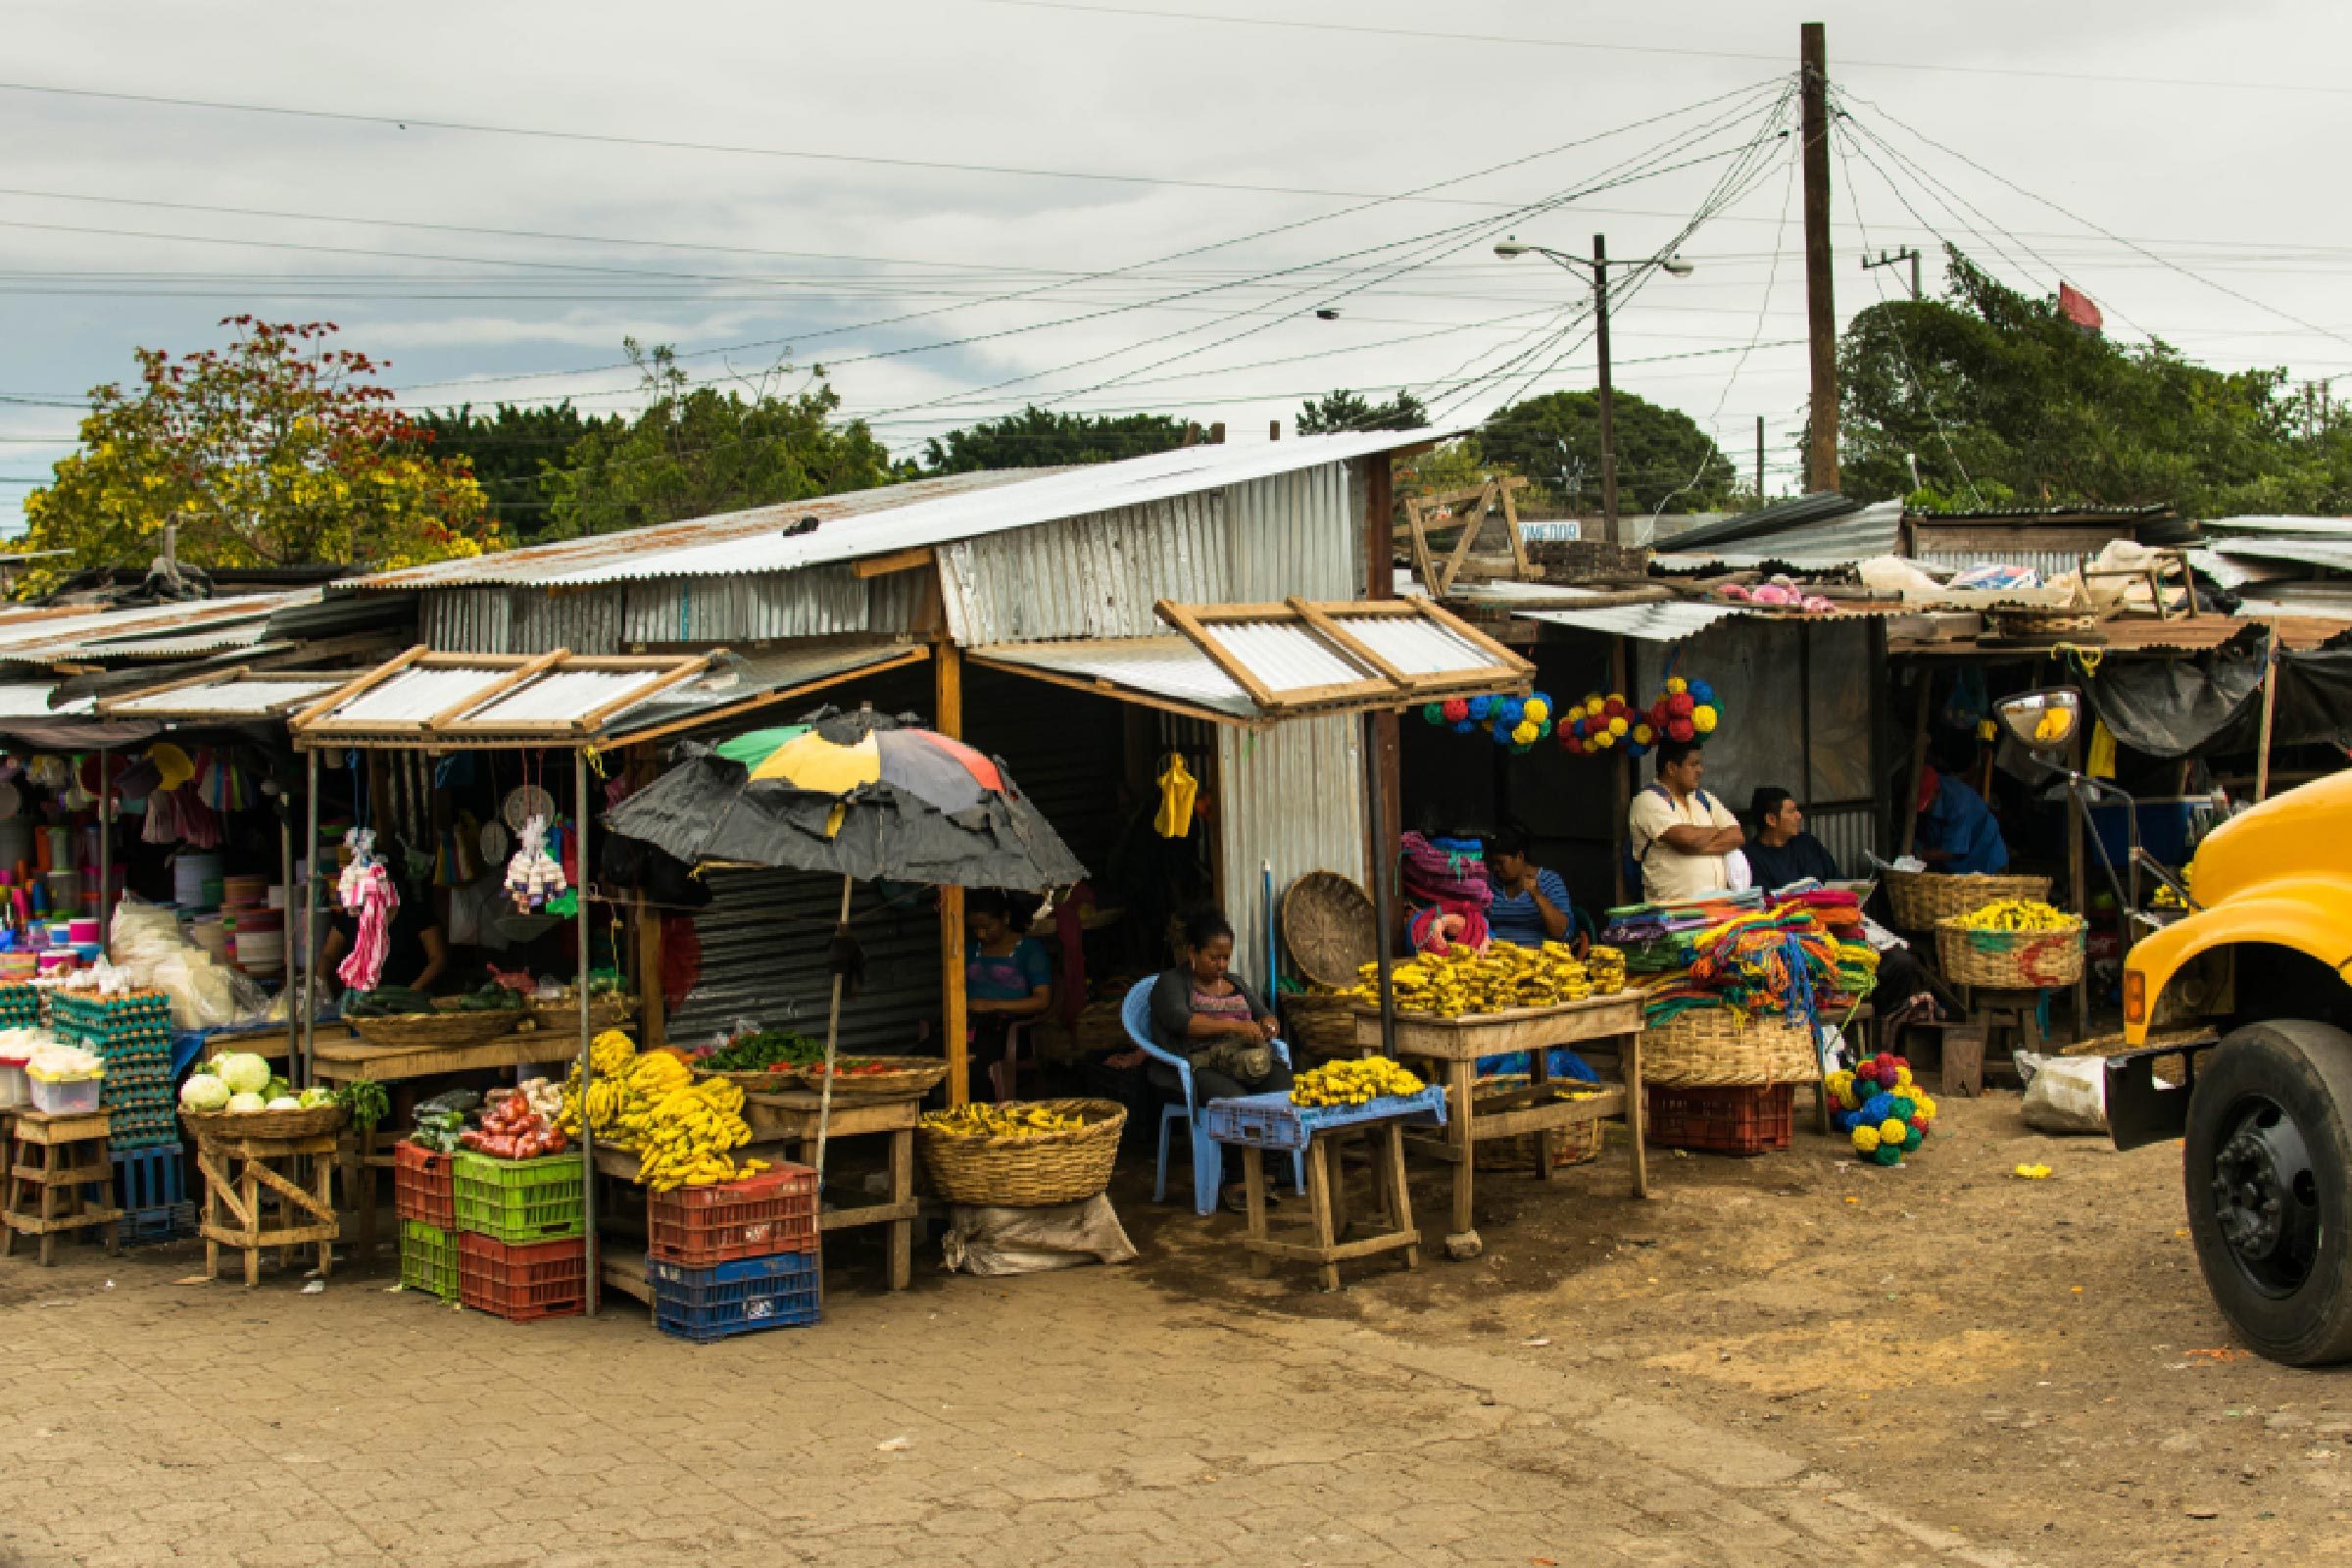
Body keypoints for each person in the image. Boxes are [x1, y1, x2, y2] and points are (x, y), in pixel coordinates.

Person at [1148, 907, 1294, 1213]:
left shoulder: (1235, 983)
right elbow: (1182, 1022)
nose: (1221, 965)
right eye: (1214, 957)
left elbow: (1262, 1012)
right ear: (1193, 952)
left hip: (1242, 1060)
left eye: (1226, 958)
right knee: (1235, 1102)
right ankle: (1237, 1178)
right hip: (1197, 1064)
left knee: (1283, 1086)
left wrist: (1268, 1024)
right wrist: (1234, 1026)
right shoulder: (1171, 984)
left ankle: (1267, 1172)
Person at [1628, 739, 1746, 904]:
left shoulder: (1703, 798)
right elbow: (1686, 839)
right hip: (1673, 912)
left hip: (1718, 906)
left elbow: (1737, 835)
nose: (1700, 770)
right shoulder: (1648, 799)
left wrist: (1693, 847)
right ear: (1671, 768)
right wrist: (1714, 830)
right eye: (1693, 764)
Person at [964, 889, 1054, 1102]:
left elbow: (1042, 1000)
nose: (980, 934)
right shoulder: (969, 950)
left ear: (1005, 917)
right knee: (923, 1061)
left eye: (986, 927)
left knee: (975, 1069)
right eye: (975, 928)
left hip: (1007, 1032)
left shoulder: (1029, 950)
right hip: (967, 1028)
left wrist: (991, 1005)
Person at [322, 857, 449, 996]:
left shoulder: (417, 915)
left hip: (409, 1000)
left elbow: (438, 959)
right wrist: (322, 983)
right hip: (362, 1001)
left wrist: (414, 990)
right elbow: (328, 956)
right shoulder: (351, 916)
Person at [1483, 825, 1572, 947]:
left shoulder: (1550, 881)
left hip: (1538, 959)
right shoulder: (1491, 883)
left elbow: (1561, 931)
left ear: (1519, 857)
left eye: (1500, 863)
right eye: (1493, 863)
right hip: (1496, 957)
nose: (1496, 868)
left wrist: (1537, 895)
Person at [1916, 764, 2010, 875]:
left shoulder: (1958, 805)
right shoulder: (1934, 784)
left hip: (1985, 863)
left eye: (1926, 802)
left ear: (1936, 791)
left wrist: (1920, 855)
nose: (1924, 808)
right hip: (1959, 866)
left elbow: (1953, 852)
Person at [1743, 787, 1843, 891]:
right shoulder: (1751, 859)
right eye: (1791, 811)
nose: (1799, 816)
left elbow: (1838, 881)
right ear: (1771, 820)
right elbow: (1764, 901)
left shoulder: (1808, 843)